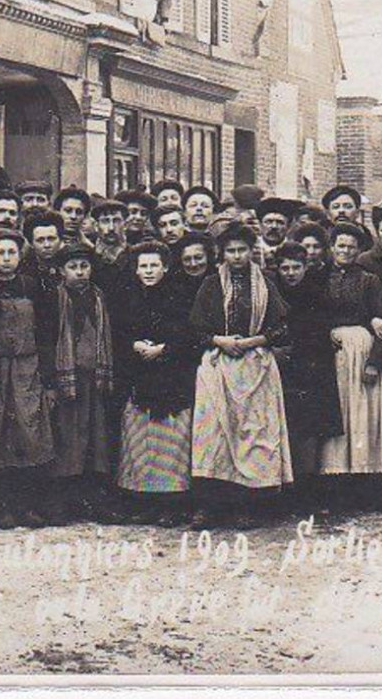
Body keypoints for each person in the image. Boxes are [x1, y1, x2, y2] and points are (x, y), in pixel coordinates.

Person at [189, 221, 294, 508]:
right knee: (214, 435)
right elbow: (196, 328)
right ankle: (211, 505)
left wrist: (250, 342)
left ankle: (247, 505)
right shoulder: (210, 285)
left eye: (242, 250)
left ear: (251, 251)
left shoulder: (265, 285)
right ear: (221, 254)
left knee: (253, 435)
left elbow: (281, 328)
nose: (236, 256)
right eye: (230, 251)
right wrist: (219, 341)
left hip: (255, 366)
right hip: (218, 364)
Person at [112, 240, 197, 518]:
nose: (148, 271)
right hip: (138, 376)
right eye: (143, 266)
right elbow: (119, 332)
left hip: (171, 379)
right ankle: (142, 501)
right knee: (141, 441)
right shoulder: (128, 296)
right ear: (136, 270)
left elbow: (188, 333)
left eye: (154, 265)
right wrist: (135, 345)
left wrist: (163, 349)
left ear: (165, 268)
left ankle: (170, 504)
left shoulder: (179, 295)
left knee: (169, 442)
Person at [0, 228, 56, 528]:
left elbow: (46, 334)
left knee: (31, 433)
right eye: (0, 253)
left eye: (12, 252)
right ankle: (2, 507)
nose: (7, 258)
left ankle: (29, 506)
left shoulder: (31, 286)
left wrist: (48, 380)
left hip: (29, 369)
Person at [317, 222, 382, 496]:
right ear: (332, 247)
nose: (346, 251)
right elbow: (311, 315)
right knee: (335, 415)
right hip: (331, 355)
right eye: (341, 246)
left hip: (361, 352)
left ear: (359, 249)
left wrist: (374, 362)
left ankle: (361, 485)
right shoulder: (319, 277)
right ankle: (332, 482)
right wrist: (323, 333)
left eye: (352, 247)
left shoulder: (369, 280)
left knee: (361, 415)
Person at [47, 241, 114, 515]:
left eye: (84, 266)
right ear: (62, 271)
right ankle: (65, 500)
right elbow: (49, 340)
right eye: (73, 267)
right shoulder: (55, 298)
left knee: (94, 439)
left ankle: (92, 499)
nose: (79, 272)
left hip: (94, 378)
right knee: (68, 437)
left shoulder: (99, 298)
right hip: (68, 379)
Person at [272, 241, 342, 496]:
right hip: (282, 364)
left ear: (305, 267)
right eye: (285, 268)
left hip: (312, 366)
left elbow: (322, 329)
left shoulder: (316, 293)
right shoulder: (273, 292)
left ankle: (307, 488)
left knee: (310, 429)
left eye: (296, 267)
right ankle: (283, 486)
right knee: (283, 426)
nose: (290, 273)